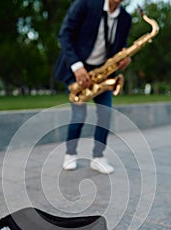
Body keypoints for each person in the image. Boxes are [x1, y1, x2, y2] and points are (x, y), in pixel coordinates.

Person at [55, 0, 132, 174]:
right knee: (79, 113)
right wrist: (77, 66)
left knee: (106, 112)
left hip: (103, 73)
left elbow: (121, 47)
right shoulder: (84, 4)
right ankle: (70, 153)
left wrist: (124, 59)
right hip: (78, 69)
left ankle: (98, 157)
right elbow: (65, 34)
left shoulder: (126, 18)